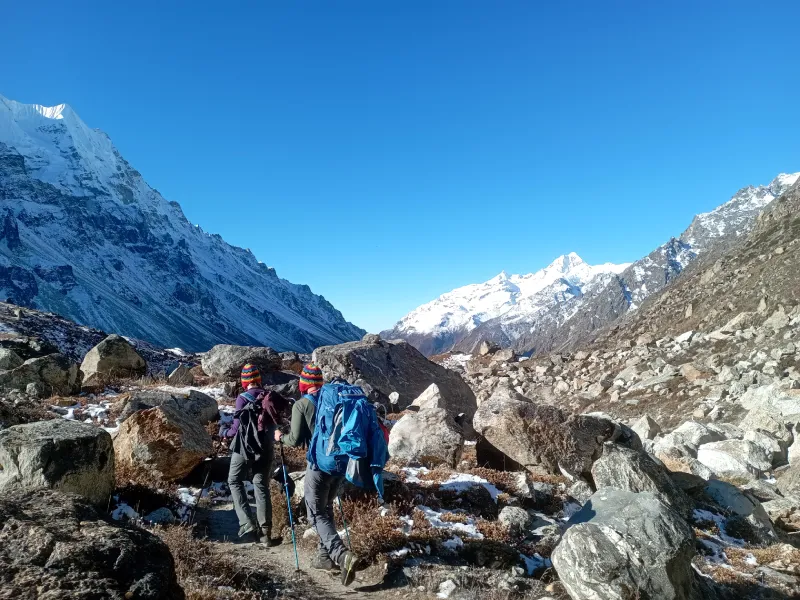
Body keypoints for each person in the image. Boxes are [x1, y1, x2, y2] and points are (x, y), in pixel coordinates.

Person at [305, 382, 388, 586]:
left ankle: (342, 556)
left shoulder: (325, 399)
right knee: (326, 508)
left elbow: (314, 433)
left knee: (315, 512)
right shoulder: (352, 401)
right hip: (343, 462)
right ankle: (324, 558)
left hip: (321, 464)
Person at [224, 364, 287, 545]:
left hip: (244, 448)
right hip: (266, 447)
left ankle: (247, 524)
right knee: (261, 485)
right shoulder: (268, 397)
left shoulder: (242, 399)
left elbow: (236, 429)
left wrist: (224, 433)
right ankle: (265, 533)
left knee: (234, 480)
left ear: (244, 381)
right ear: (259, 379)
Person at [274, 363, 323, 449]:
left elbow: (294, 440)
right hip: (341, 455)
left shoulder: (300, 405)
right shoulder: (329, 398)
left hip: (319, 454)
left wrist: (280, 437)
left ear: (304, 383)